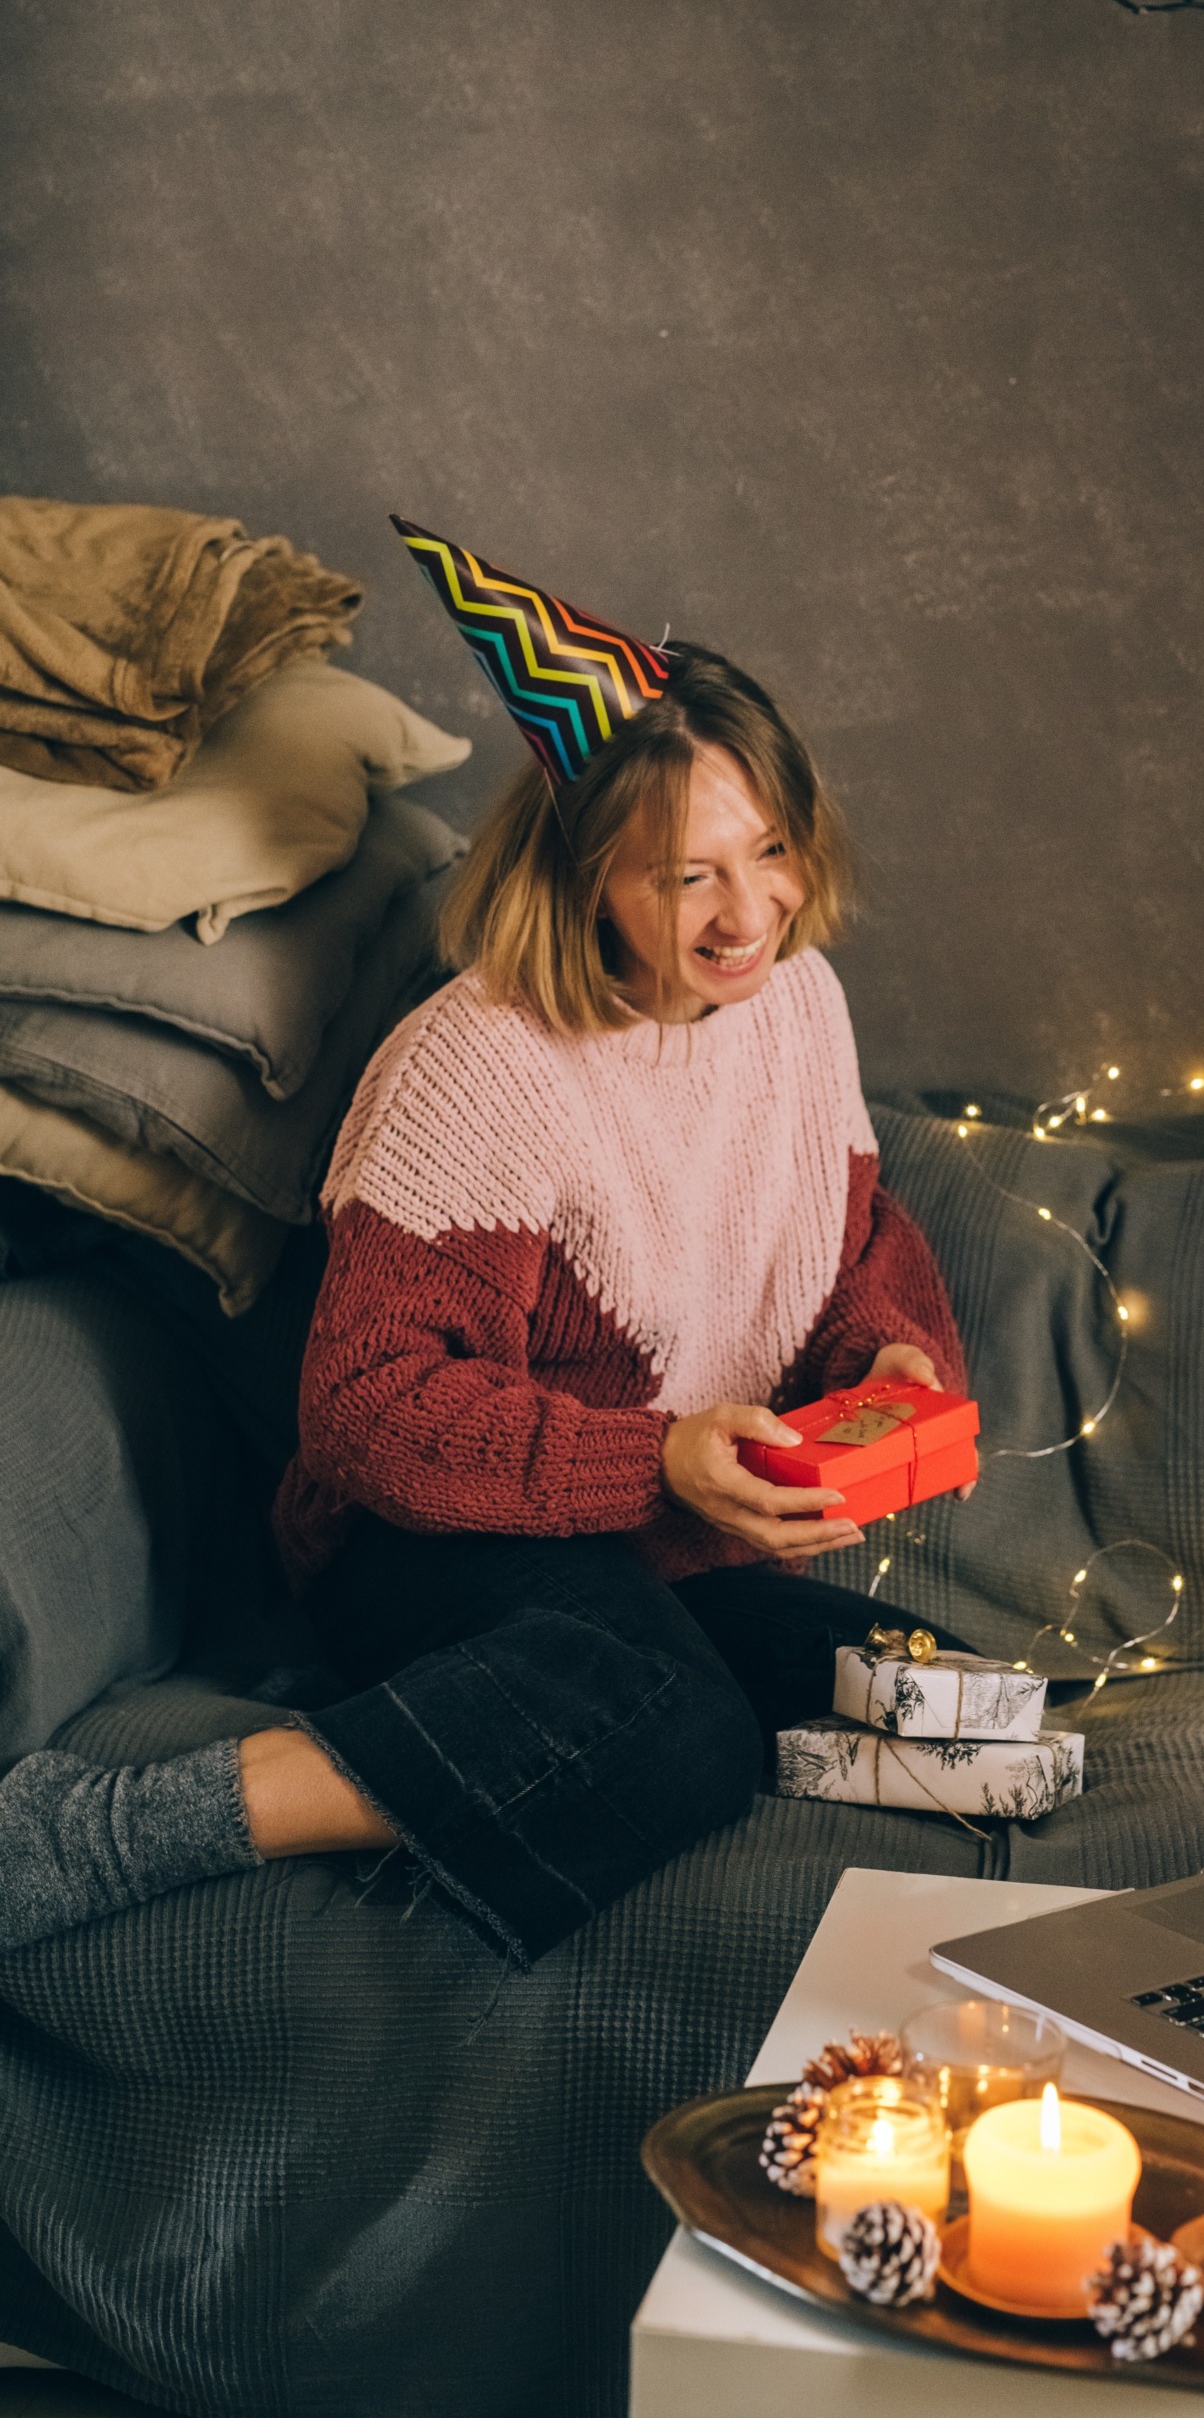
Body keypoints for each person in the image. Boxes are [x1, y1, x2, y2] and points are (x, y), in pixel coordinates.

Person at [0, 541, 969, 1965]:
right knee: (673, 1728)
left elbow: (852, 1233)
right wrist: (652, 1460)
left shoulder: (796, 1005)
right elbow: (364, 1408)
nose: (745, 912)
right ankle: (104, 1827)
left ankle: (491, 1780)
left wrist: (890, 1354)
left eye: (769, 851)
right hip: (428, 1536)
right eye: (686, 874)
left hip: (657, 1547)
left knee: (916, 1696)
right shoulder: (477, 1069)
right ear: (591, 878)